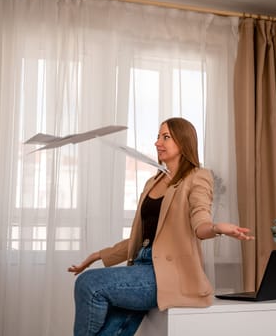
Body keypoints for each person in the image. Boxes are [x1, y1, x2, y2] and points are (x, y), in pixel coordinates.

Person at [68, 117, 254, 336]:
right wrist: (97, 255)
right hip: (140, 266)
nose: (158, 143)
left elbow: (200, 222)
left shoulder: (198, 177)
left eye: (166, 137)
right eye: (158, 137)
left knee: (89, 284)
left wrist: (217, 228)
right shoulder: (152, 182)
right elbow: (142, 238)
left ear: (183, 142)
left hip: (165, 275)